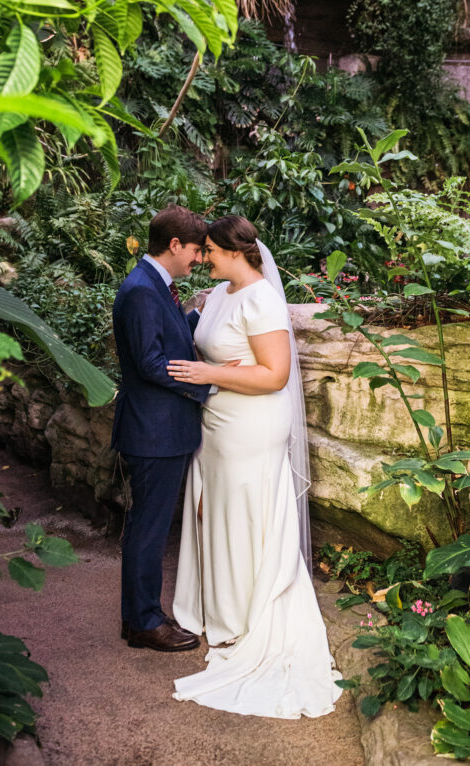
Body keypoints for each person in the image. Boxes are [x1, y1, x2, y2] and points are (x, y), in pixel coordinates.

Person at [168, 215, 342, 719]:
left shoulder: (263, 298)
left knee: (246, 512)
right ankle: (219, 609)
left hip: (251, 425)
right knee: (215, 509)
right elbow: (228, 355)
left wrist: (211, 372)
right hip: (217, 420)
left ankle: (248, 614)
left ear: (235, 251)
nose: (204, 259)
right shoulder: (220, 294)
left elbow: (275, 375)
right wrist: (220, 372)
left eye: (211, 252)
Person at [111, 204, 210, 653]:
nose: (199, 259)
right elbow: (150, 362)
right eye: (195, 251)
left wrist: (198, 318)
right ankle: (143, 623)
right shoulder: (141, 291)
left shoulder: (157, 286)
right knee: (148, 529)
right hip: (153, 431)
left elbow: (162, 339)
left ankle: (141, 614)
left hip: (160, 429)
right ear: (174, 245)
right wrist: (205, 383)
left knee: (148, 526)